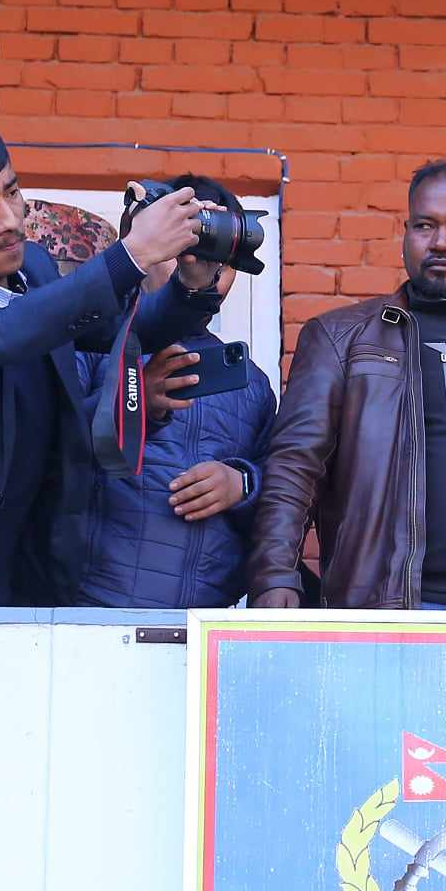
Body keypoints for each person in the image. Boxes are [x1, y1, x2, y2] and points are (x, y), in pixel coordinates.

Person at [248, 161, 446, 611]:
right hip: (393, 613)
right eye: (424, 226)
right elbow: (295, 466)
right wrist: (274, 576)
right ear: (406, 233)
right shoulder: (344, 338)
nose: (440, 242)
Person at [0, 111, 218, 605]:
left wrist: (191, 286)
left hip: (30, 570)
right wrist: (131, 255)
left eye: (11, 192)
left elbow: (118, 330)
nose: (9, 220)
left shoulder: (34, 267)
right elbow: (3, 332)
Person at [74, 175, 276, 609]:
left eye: (222, 260)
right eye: (185, 249)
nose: (203, 269)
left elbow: (280, 494)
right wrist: (134, 403)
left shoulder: (252, 384)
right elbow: (49, 450)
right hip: (91, 605)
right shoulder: (91, 344)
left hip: (204, 619)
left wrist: (241, 484)